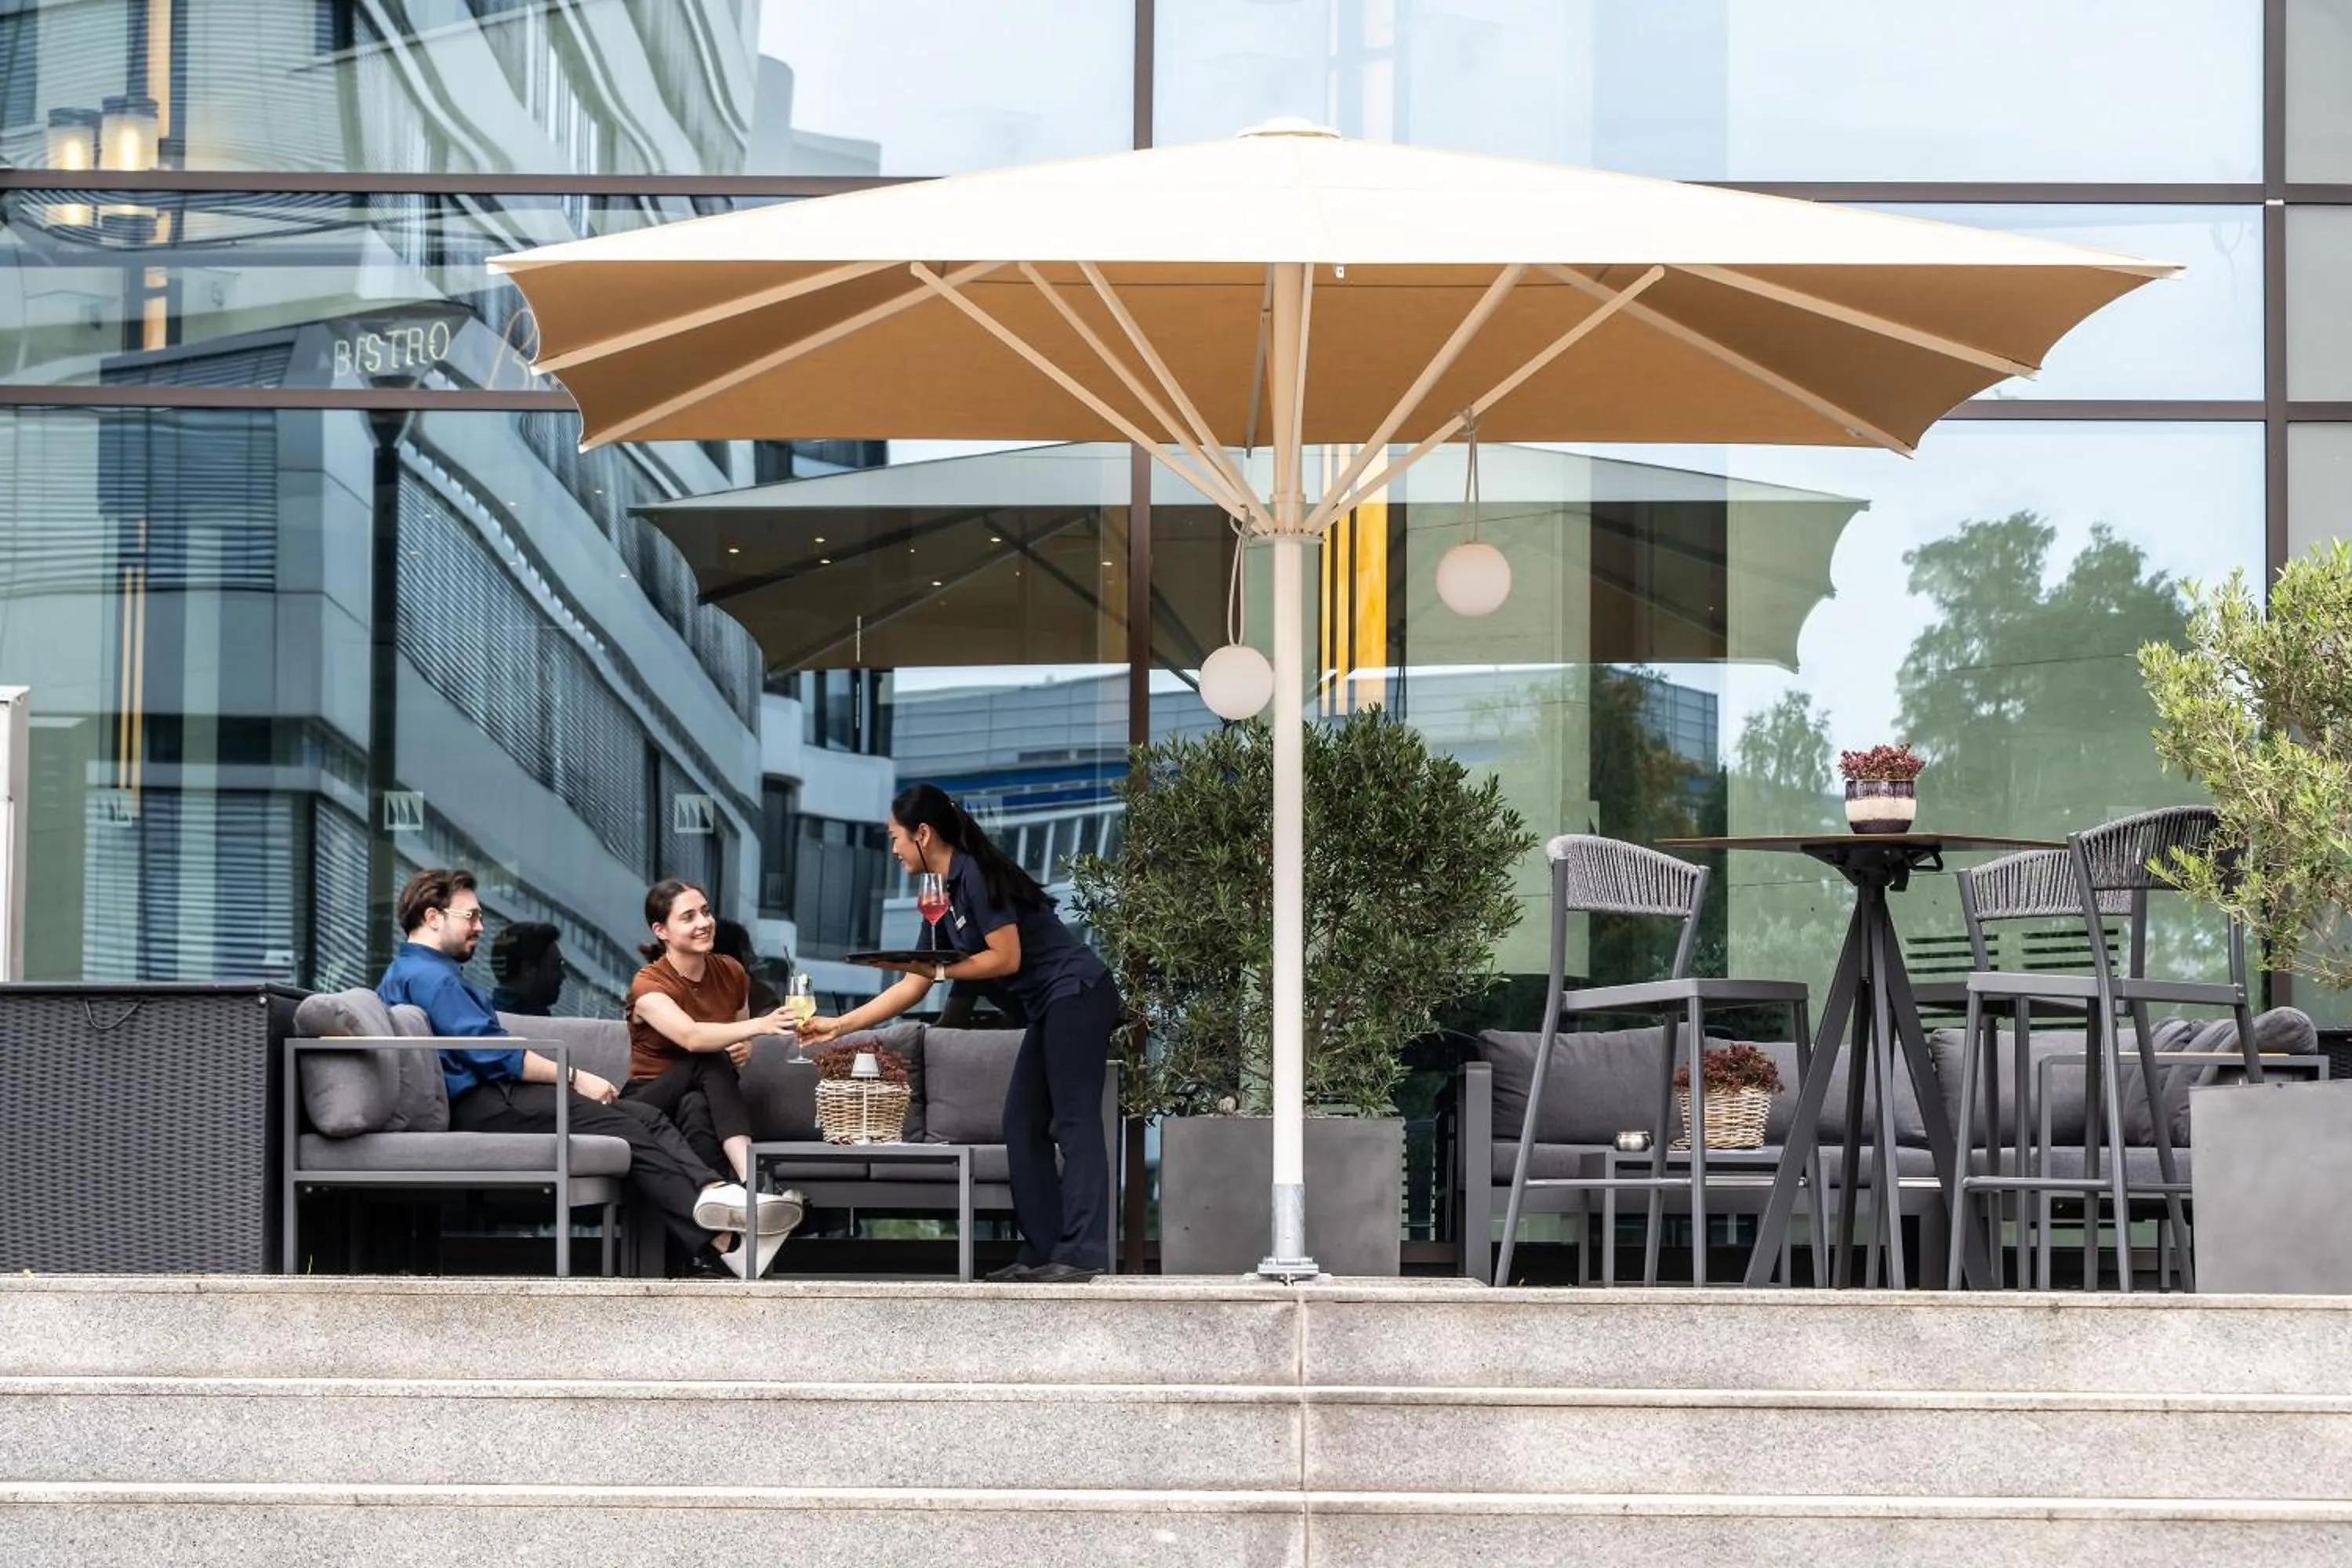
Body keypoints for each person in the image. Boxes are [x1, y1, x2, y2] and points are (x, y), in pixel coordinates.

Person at [377, 867, 798, 1278]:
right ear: (432, 918)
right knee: (625, 1126)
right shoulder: (435, 980)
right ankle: (725, 1237)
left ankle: (716, 1196)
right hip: (489, 1101)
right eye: (472, 916)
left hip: (494, 1095)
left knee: (647, 1118)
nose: (481, 927)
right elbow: (496, 1055)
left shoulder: (415, 972)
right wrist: (577, 1077)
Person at [802, 785, 1119, 1283]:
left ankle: (1081, 1253)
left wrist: (943, 972)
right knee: (1020, 1123)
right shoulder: (939, 896)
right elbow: (915, 981)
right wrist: (837, 1026)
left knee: (1074, 1123)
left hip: (1077, 994)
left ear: (923, 834)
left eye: (896, 838)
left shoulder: (973, 875)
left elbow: (1005, 957)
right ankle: (1043, 1251)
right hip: (1050, 1007)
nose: (894, 849)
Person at [626, 879, 805, 1276]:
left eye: (705, 912)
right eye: (688, 917)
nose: (704, 922)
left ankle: (717, 1252)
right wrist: (758, 1028)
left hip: (699, 1097)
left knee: (697, 1100)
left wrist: (745, 1049)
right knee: (706, 1056)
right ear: (662, 931)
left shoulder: (731, 972)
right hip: (646, 1100)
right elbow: (692, 1037)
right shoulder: (649, 984)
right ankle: (753, 1182)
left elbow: (735, 1045)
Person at [488, 920, 564, 1017]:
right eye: (556, 967)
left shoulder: (478, 1021)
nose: (562, 976)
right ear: (528, 970)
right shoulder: (537, 1028)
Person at [713, 917, 782, 1015]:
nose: (753, 956)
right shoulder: (760, 996)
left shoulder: (692, 993)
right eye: (749, 949)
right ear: (743, 954)